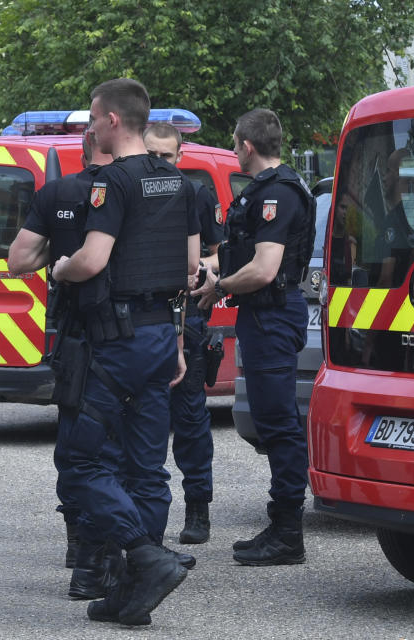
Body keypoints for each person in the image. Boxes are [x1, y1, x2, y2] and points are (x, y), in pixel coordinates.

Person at [50, 78, 199, 626]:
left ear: (113, 120)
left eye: (92, 118)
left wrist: (61, 268)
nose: (89, 127)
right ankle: (134, 591)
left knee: (81, 462)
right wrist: (178, 339)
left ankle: (143, 556)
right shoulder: (176, 183)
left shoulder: (111, 182)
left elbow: (90, 261)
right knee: (147, 469)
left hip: (118, 340)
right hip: (161, 336)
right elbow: (187, 269)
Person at [9, 134, 130, 601]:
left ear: (81, 151)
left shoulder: (59, 193)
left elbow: (17, 259)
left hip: (76, 339)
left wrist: (60, 255)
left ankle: (80, 546)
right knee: (121, 449)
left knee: (76, 444)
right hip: (129, 338)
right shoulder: (133, 189)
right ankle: (110, 556)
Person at [193, 108, 315, 566]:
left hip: (272, 315)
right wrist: (206, 270)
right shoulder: (268, 191)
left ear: (246, 146)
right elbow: (240, 253)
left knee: (278, 422)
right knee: (271, 419)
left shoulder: (277, 195)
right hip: (266, 317)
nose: (232, 149)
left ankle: (288, 532)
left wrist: (219, 288)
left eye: (233, 142)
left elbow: (264, 269)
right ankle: (283, 524)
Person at [143, 123, 224, 545]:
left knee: (189, 417)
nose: (160, 165)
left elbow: (215, 256)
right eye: (152, 156)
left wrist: (199, 273)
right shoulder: (130, 189)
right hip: (139, 315)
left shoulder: (195, 193)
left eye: (168, 157)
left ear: (181, 156)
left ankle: (198, 508)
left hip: (185, 313)